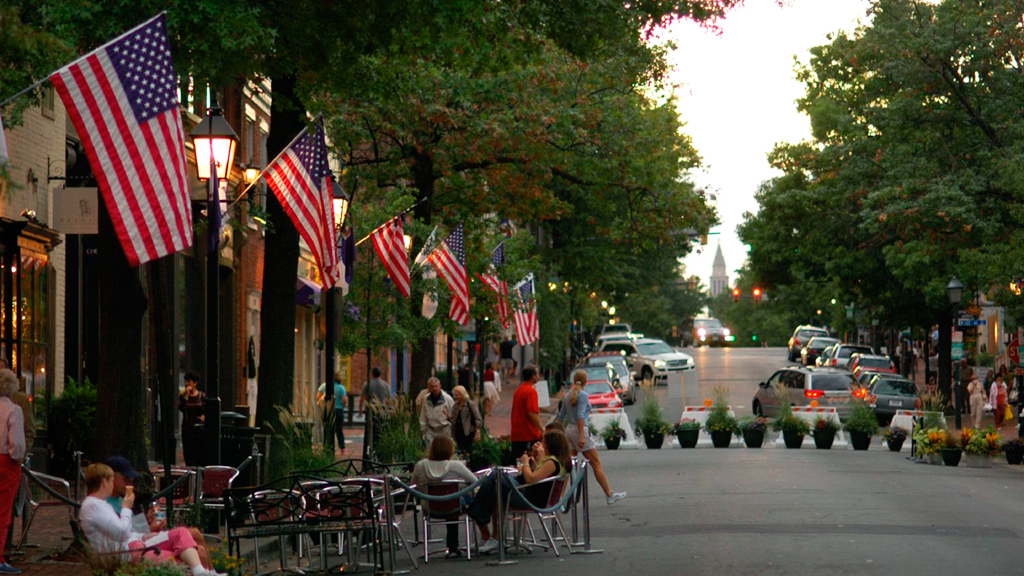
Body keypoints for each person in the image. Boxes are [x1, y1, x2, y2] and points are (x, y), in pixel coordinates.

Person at [79, 464, 223, 575]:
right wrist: (126, 508)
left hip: (137, 543)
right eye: (111, 481)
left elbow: (126, 531)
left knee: (182, 533)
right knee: (191, 555)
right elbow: (121, 533)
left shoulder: (101, 504)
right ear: (104, 482)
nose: (129, 483)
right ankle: (200, 572)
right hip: (127, 553)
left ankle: (200, 572)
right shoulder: (93, 506)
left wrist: (144, 535)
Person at [468, 428, 571, 555]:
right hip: (533, 496)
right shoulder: (557, 461)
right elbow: (538, 476)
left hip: (531, 499)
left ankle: (481, 521)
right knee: (496, 486)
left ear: (552, 445)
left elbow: (531, 479)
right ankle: (491, 535)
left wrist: (526, 462)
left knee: (496, 475)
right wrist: (536, 459)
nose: (542, 445)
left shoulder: (552, 462)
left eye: (544, 442)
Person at [558, 370, 626, 505]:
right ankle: (609, 494)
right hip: (579, 430)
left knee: (567, 466)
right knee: (596, 463)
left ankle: (560, 497)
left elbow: (561, 417)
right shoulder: (583, 395)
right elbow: (581, 416)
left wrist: (558, 433)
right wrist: (582, 436)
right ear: (585, 382)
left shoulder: (567, 396)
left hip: (569, 430)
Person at [410, 436, 478, 558]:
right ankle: (454, 546)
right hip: (453, 506)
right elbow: (474, 481)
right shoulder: (455, 466)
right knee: (455, 500)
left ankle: (446, 547)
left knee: (449, 499)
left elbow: (412, 486)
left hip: (430, 507)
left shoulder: (421, 466)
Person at [4, 369, 33, 559]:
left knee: (6, 508)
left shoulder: (18, 403)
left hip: (10, 459)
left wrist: (18, 457)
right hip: (7, 459)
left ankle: (5, 548)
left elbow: (27, 432)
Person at [0, 370, 25, 574]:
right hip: (5, 463)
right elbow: (16, 444)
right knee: (3, 512)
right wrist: (18, 458)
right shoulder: (13, 410)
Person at [510, 366, 543, 459]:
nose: (538, 376)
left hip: (517, 434)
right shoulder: (531, 391)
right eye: (537, 374)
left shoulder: (519, 390)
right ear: (533, 376)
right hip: (529, 434)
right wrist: (542, 430)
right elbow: (532, 413)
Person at [178, 372, 206, 466]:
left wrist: (204, 416)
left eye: (189, 381)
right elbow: (181, 408)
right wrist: (186, 396)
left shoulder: (202, 396)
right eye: (186, 381)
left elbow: (206, 410)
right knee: (188, 451)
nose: (187, 383)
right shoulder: (183, 395)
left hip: (198, 427)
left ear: (195, 383)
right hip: (187, 427)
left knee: (197, 451)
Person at [317, 372, 348, 452]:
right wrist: (342, 406)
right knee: (339, 429)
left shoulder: (324, 386)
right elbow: (344, 400)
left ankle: (327, 446)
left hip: (326, 410)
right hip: (338, 409)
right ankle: (342, 447)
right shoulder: (341, 388)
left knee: (327, 428)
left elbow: (318, 397)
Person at [419, 378, 453, 446]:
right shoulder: (426, 399)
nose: (434, 389)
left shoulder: (447, 399)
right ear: (428, 387)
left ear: (440, 386)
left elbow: (453, 415)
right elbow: (423, 414)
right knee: (431, 450)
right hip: (430, 428)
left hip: (444, 428)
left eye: (436, 386)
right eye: (432, 386)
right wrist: (423, 429)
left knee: (443, 450)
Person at [448, 386, 481, 454]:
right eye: (454, 395)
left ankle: (468, 463)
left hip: (467, 431)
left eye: (457, 395)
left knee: (464, 449)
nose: (455, 397)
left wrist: (477, 430)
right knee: (461, 449)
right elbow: (453, 420)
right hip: (457, 432)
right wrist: (447, 416)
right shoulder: (455, 405)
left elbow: (477, 418)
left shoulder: (470, 404)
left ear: (462, 394)